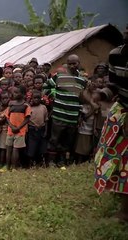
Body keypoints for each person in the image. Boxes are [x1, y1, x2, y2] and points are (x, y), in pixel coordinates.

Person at [94, 25, 128, 222]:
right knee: (106, 154)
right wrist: (102, 94)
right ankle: (117, 190)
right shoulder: (115, 54)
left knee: (126, 162)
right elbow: (113, 84)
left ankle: (125, 211)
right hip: (121, 107)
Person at [48, 54, 87, 167]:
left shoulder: (82, 80)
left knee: (67, 141)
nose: (71, 66)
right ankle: (51, 162)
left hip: (72, 116)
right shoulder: (60, 76)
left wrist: (80, 114)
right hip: (58, 115)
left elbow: (82, 99)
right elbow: (47, 86)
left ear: (79, 63)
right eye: (69, 63)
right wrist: (54, 95)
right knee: (54, 139)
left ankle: (62, 161)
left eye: (74, 63)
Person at [5, 85, 31, 170]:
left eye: (17, 92)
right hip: (10, 130)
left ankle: (14, 167)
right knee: (9, 148)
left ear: (23, 94)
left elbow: (27, 119)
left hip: (20, 132)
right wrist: (12, 126)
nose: (14, 94)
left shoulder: (26, 105)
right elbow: (7, 116)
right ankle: (7, 167)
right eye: (14, 92)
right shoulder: (11, 104)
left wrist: (18, 128)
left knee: (16, 149)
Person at [27, 90, 48, 167]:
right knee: (31, 147)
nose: (36, 99)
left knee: (42, 147)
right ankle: (30, 163)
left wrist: (45, 131)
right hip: (32, 129)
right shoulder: (29, 107)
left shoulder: (43, 107)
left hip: (41, 129)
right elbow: (27, 120)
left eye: (38, 98)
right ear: (31, 99)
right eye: (34, 98)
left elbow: (46, 120)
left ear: (41, 98)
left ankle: (41, 162)